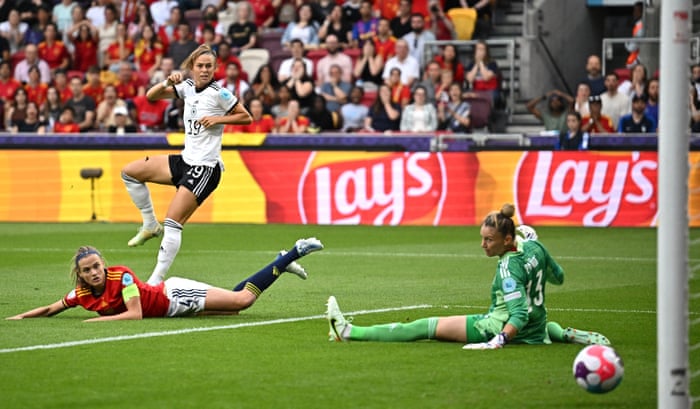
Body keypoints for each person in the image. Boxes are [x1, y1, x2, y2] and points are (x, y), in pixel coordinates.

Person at [326, 204, 611, 348]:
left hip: (497, 326)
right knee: (544, 325)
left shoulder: (507, 268)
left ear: (507, 239)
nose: (483, 245)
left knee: (426, 326)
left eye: (489, 240)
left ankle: (349, 332)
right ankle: (565, 334)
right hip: (538, 328)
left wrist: (497, 339)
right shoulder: (534, 245)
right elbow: (558, 277)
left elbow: (518, 314)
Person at [121, 44, 253, 286]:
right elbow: (151, 97)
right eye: (200, 66)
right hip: (185, 161)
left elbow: (246, 116)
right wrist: (165, 83)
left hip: (205, 168)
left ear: (215, 69)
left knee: (172, 222)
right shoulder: (188, 88)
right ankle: (150, 224)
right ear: (192, 67)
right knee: (130, 172)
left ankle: (154, 283)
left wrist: (218, 118)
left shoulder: (219, 94)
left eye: (209, 67)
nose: (204, 70)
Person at [6, 239, 322, 321]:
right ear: (81, 274)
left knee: (242, 300)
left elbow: (135, 313)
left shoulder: (122, 275)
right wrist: (19, 317)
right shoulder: (82, 293)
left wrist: (92, 324)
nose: (94, 272)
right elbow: (51, 308)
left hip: (174, 295)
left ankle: (292, 252)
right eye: (87, 270)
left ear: (104, 264)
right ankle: (281, 263)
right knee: (232, 307)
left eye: (96, 266)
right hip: (171, 309)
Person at [626, 1, 644, 68]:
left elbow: (632, 48)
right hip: (635, 59)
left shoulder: (641, 26)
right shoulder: (638, 25)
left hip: (638, 59)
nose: (634, 13)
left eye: (637, 11)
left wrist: (626, 43)